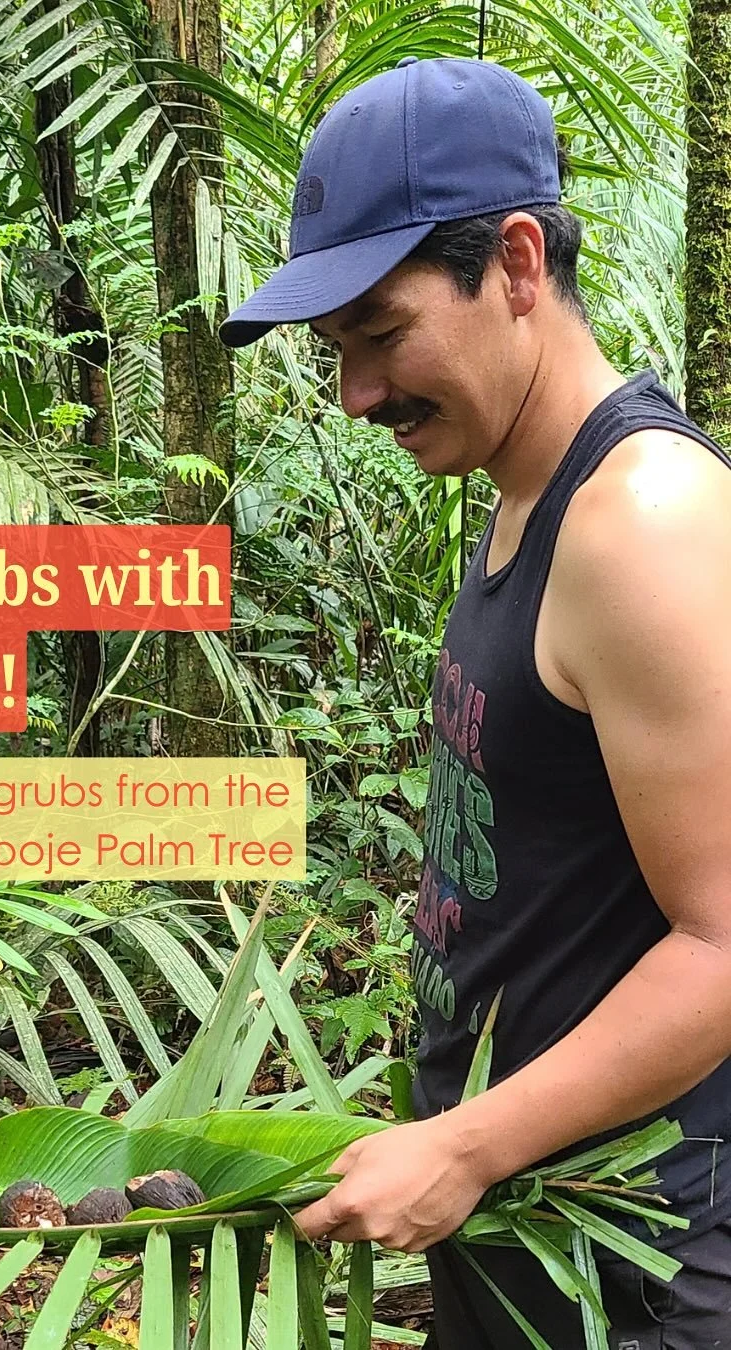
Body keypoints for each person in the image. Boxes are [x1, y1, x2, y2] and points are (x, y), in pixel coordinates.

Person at [218, 56, 731, 1348]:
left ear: (515, 264)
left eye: (381, 337)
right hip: (519, 1229)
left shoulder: (641, 522)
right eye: (337, 355)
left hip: (635, 1271)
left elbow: (728, 941)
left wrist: (463, 1142)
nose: (356, 397)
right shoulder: (518, 481)